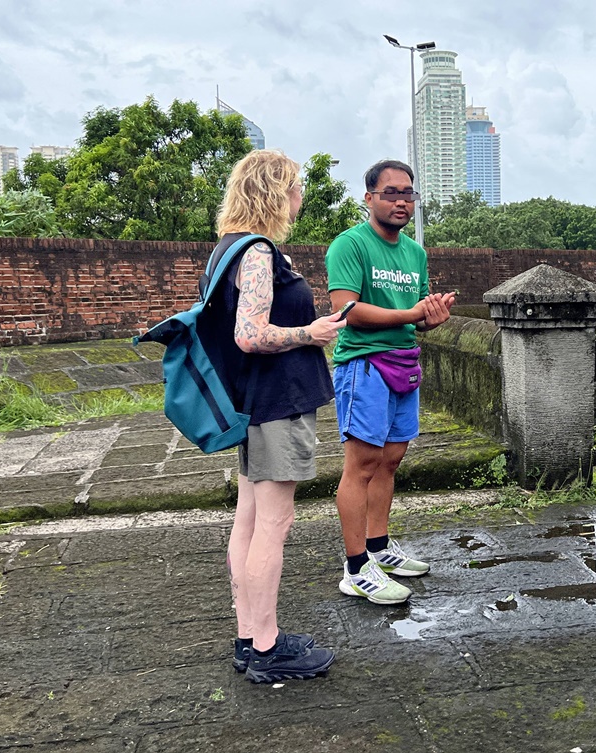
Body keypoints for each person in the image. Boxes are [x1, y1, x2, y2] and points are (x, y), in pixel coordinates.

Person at [213, 150, 346, 683]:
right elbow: (250, 333)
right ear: (274, 192)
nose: (299, 199)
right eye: (294, 188)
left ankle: (250, 637)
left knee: (248, 518)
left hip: (252, 402)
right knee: (273, 522)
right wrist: (309, 333)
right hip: (276, 401)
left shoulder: (227, 247)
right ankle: (266, 649)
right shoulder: (258, 252)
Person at [324, 159, 455, 605]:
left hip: (405, 360)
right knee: (360, 464)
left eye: (408, 194)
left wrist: (431, 315)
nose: (401, 201)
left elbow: (418, 317)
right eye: (392, 193)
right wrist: (412, 314)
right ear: (369, 199)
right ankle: (356, 566)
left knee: (391, 460)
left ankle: (379, 547)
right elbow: (347, 310)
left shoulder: (414, 252)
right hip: (364, 364)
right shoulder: (349, 245)